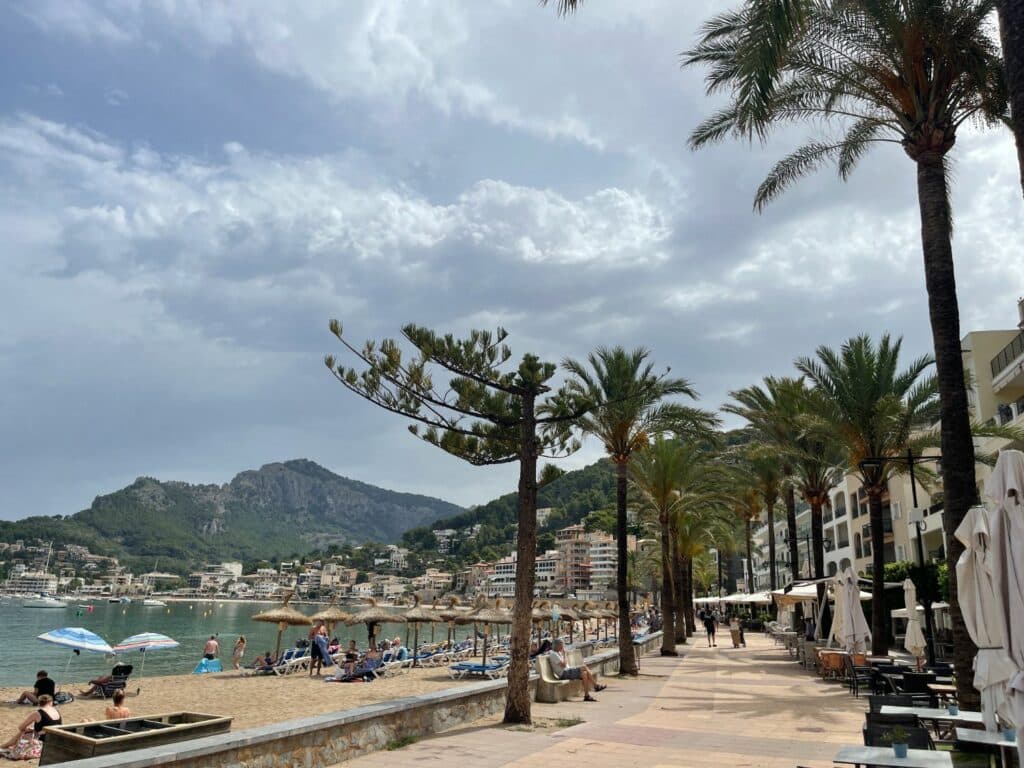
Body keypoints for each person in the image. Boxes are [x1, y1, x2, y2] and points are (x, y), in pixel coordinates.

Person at [1, 693, 61, 759]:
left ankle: (4, 746)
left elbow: (20, 727)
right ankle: (5, 746)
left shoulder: (38, 713)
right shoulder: (56, 711)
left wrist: (26, 729)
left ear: (40, 703)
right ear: (50, 702)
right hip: (55, 738)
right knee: (29, 730)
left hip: (44, 741)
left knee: (24, 731)